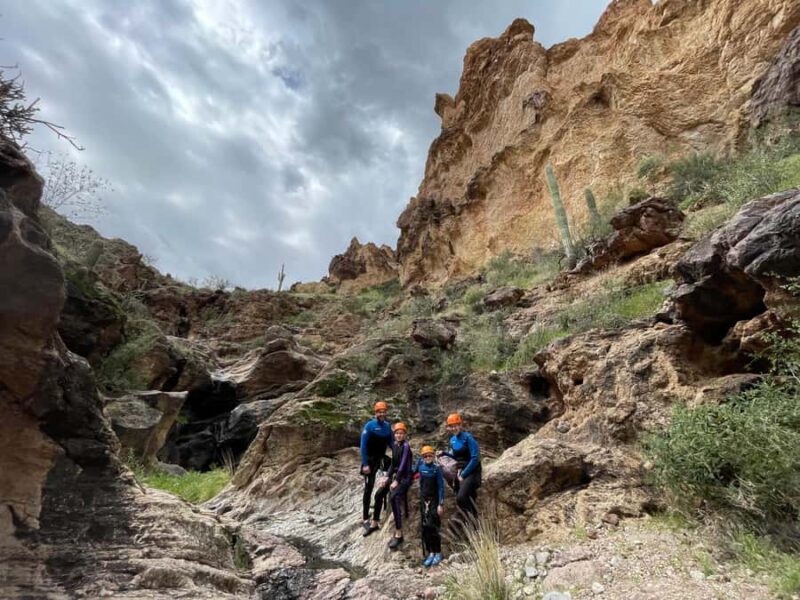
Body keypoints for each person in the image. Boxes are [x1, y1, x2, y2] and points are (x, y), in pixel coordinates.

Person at [369, 422, 413, 549]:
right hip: (395, 474)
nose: (399, 435)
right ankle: (375, 522)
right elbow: (393, 463)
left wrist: (397, 480)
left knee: (394, 497)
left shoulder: (405, 446)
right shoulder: (395, 445)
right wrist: (386, 477)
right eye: (397, 433)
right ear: (394, 435)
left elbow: (404, 465)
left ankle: (399, 533)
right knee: (379, 494)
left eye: (401, 433)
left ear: (405, 435)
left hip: (405, 476)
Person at [441, 412, 481, 533]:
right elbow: (456, 456)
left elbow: (475, 458)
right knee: (464, 497)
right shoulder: (452, 440)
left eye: (456, 425)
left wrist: (463, 475)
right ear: (448, 427)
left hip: (473, 470)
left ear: (460, 424)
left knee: (461, 497)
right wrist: (444, 453)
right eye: (451, 426)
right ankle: (470, 522)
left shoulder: (468, 438)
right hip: (461, 469)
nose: (454, 428)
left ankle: (473, 521)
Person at [360, 401, 393, 534]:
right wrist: (365, 464)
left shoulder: (387, 426)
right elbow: (362, 445)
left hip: (381, 458)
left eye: (383, 411)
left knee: (386, 481)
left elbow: (391, 443)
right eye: (379, 412)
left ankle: (382, 506)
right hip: (370, 459)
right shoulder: (370, 425)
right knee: (368, 488)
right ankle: (365, 517)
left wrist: (401, 452)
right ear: (375, 413)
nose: (381, 414)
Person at [415, 445, 445, 567]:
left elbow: (441, 487)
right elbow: (420, 483)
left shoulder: (436, 469)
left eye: (430, 455)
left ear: (433, 456)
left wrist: (440, 504)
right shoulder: (421, 468)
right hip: (424, 501)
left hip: (434, 501)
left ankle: (438, 552)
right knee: (425, 528)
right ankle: (431, 553)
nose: (428, 457)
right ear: (423, 457)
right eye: (425, 456)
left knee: (433, 527)